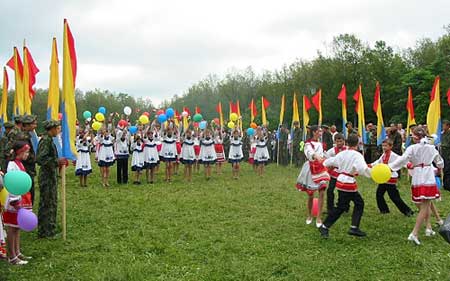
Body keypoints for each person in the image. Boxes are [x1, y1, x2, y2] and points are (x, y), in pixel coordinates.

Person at [388, 127, 444, 245]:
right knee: (425, 206)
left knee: (425, 204)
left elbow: (402, 160)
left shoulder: (411, 148)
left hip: (418, 176)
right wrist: (438, 167)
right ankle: (414, 233)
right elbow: (440, 162)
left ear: (415, 137)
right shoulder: (431, 148)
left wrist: (390, 167)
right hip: (428, 176)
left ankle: (428, 228)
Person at [318, 134, 371, 238]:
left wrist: (323, 163)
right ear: (357, 143)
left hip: (341, 180)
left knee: (350, 204)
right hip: (348, 183)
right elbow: (362, 169)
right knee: (351, 205)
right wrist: (371, 173)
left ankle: (352, 227)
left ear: (346, 142)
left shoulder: (342, 154)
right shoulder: (357, 155)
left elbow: (329, 162)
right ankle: (328, 226)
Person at [2, 141, 33, 265]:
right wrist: (14, 200)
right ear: (19, 152)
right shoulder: (12, 165)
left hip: (22, 198)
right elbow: (12, 183)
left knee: (17, 227)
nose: (27, 154)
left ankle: (17, 251)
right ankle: (12, 256)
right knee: (12, 228)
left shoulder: (19, 164)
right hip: (14, 201)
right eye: (26, 152)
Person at [296, 125, 330, 228]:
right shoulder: (308, 144)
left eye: (320, 131)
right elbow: (309, 152)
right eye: (319, 131)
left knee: (322, 192)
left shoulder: (321, 144)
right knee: (310, 194)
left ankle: (319, 217)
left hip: (321, 169)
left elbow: (325, 154)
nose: (320, 133)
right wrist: (316, 156)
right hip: (311, 169)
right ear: (314, 132)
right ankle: (309, 215)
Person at [371, 139, 413, 216]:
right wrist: (371, 165)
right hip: (384, 178)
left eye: (386, 146)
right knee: (379, 194)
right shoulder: (384, 155)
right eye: (383, 146)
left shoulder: (393, 155)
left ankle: (408, 211)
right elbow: (378, 162)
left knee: (394, 197)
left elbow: (401, 161)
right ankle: (384, 210)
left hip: (390, 178)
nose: (384, 147)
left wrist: (408, 165)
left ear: (391, 146)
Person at [36, 120, 61, 238]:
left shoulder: (49, 140)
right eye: (57, 128)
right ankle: (45, 230)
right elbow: (41, 159)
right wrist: (57, 162)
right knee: (47, 203)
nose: (58, 130)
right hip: (47, 177)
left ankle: (48, 228)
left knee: (51, 202)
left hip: (50, 175)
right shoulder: (45, 141)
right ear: (51, 129)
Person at [15, 115, 38, 205]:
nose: (35, 126)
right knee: (27, 192)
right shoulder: (23, 137)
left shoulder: (27, 135)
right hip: (25, 168)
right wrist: (35, 159)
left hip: (28, 168)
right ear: (26, 125)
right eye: (33, 124)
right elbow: (23, 155)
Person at [325, 133, 347, 214]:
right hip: (334, 174)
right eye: (337, 142)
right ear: (335, 142)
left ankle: (344, 207)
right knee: (330, 190)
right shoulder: (332, 151)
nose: (339, 143)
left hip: (344, 174)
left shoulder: (347, 150)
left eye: (341, 141)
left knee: (344, 191)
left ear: (344, 141)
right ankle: (330, 208)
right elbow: (326, 159)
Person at [441, 120, 450, 191]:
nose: (443, 126)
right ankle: (445, 184)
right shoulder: (442, 134)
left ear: (448, 126)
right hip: (443, 155)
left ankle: (447, 185)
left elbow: (447, 144)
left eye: (444, 125)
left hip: (448, 155)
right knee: (444, 170)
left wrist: (442, 145)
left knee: (448, 170)